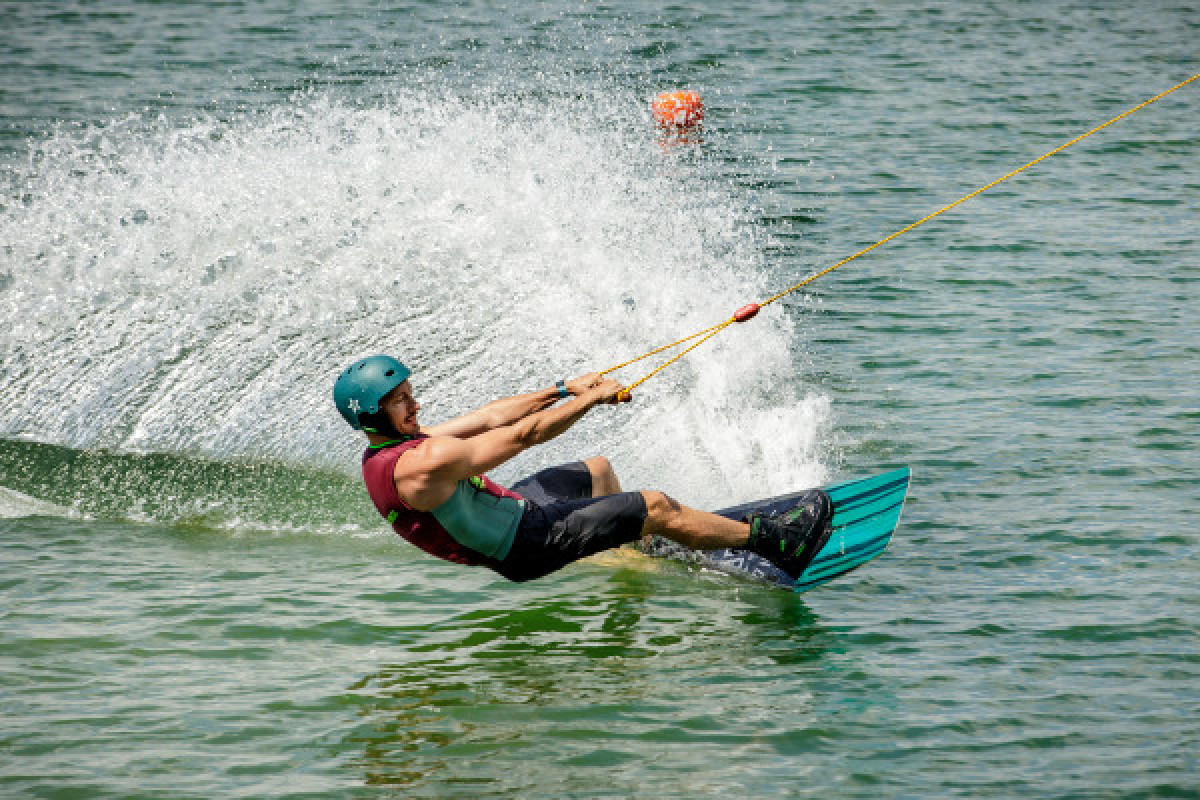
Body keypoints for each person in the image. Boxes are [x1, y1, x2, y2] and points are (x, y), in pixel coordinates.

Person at [333, 355, 832, 583]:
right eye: (401, 401)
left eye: (410, 394)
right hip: (525, 544)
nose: (415, 405)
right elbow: (522, 435)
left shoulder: (395, 446)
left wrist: (563, 389)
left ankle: (640, 546)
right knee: (655, 504)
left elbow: (489, 416)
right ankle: (776, 542)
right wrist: (590, 401)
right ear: (374, 414)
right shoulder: (421, 465)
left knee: (598, 470)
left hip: (514, 509)